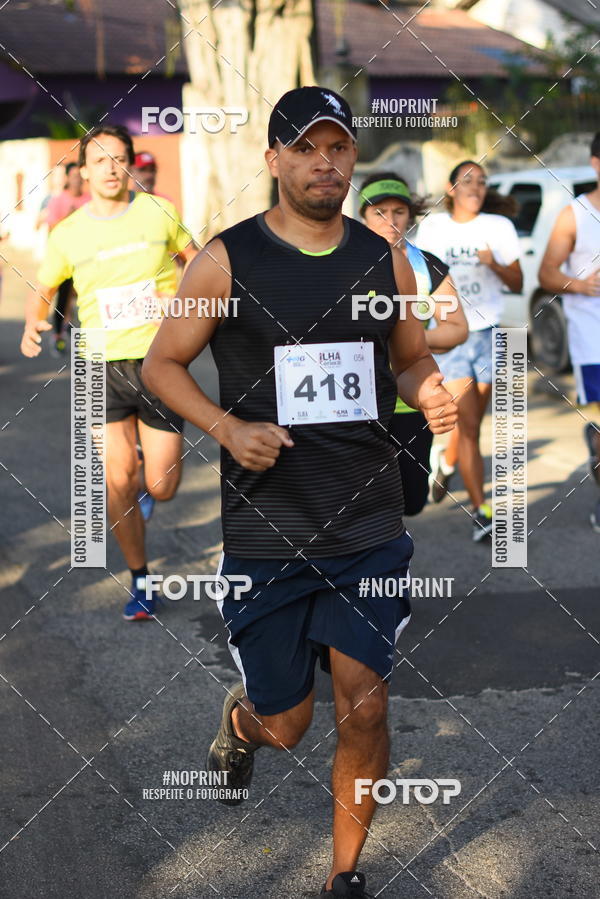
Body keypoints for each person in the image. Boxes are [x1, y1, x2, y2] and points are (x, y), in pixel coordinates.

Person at [143, 86, 457, 898]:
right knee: (289, 725)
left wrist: (428, 388)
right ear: (275, 159)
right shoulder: (229, 258)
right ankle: (244, 721)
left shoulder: (377, 256)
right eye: (307, 147)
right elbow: (160, 365)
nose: (327, 162)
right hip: (267, 530)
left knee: (367, 707)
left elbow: (411, 355)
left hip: (366, 522)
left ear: (353, 156)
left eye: (339, 147)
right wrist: (224, 427)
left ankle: (344, 875)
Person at [20, 124, 198, 620]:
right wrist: (34, 325)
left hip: (160, 361)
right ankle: (142, 580)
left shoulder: (159, 211)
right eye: (101, 160)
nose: (112, 168)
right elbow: (47, 284)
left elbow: (200, 261)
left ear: (131, 163)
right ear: (84, 170)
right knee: (115, 479)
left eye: (120, 158)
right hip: (98, 364)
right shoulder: (68, 232)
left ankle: (147, 486)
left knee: (161, 484)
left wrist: (185, 298)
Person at [417, 160, 523, 541]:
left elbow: (518, 281)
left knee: (472, 420)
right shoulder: (433, 228)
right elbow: (418, 281)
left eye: (481, 181)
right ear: (451, 189)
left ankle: (445, 463)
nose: (475, 187)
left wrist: (493, 263)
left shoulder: (499, 228)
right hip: (451, 334)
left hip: (490, 332)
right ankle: (481, 513)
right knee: (471, 425)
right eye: (467, 180)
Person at [359, 171, 467, 515]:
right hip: (356, 403)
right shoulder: (344, 264)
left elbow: (456, 328)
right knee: (364, 503)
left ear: (410, 215)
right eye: (379, 212)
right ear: (362, 217)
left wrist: (407, 340)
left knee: (411, 501)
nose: (389, 220)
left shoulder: (426, 266)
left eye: (398, 212)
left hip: (411, 402)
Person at [539, 132, 600, 531]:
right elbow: (546, 273)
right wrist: (582, 285)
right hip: (592, 339)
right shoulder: (574, 214)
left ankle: (595, 441)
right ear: (596, 164)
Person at [45, 161, 89, 356]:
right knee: (62, 299)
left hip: (87, 259)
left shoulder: (90, 200)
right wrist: (69, 219)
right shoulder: (58, 201)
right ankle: (57, 336)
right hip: (64, 261)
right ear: (68, 179)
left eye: (80, 177)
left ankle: (87, 340)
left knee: (88, 299)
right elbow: (52, 230)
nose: (77, 181)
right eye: (74, 177)